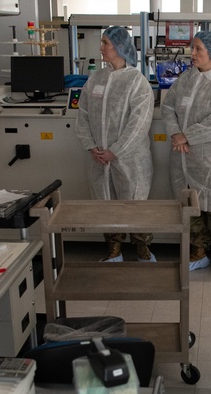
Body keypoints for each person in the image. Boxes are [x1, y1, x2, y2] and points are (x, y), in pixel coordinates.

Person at [162, 30, 211, 271]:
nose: (192, 53)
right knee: (192, 209)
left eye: (198, 49)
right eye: (192, 48)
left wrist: (186, 135)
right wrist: (176, 134)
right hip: (184, 157)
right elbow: (168, 107)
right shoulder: (186, 79)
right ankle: (198, 253)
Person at [76, 26, 156, 262]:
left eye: (105, 43)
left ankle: (143, 251)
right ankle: (113, 251)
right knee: (105, 204)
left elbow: (139, 123)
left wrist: (116, 151)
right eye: (101, 43)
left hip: (130, 158)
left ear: (120, 47)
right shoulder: (95, 79)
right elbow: (83, 115)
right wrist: (91, 146)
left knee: (135, 203)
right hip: (99, 157)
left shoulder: (136, 82)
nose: (100, 48)